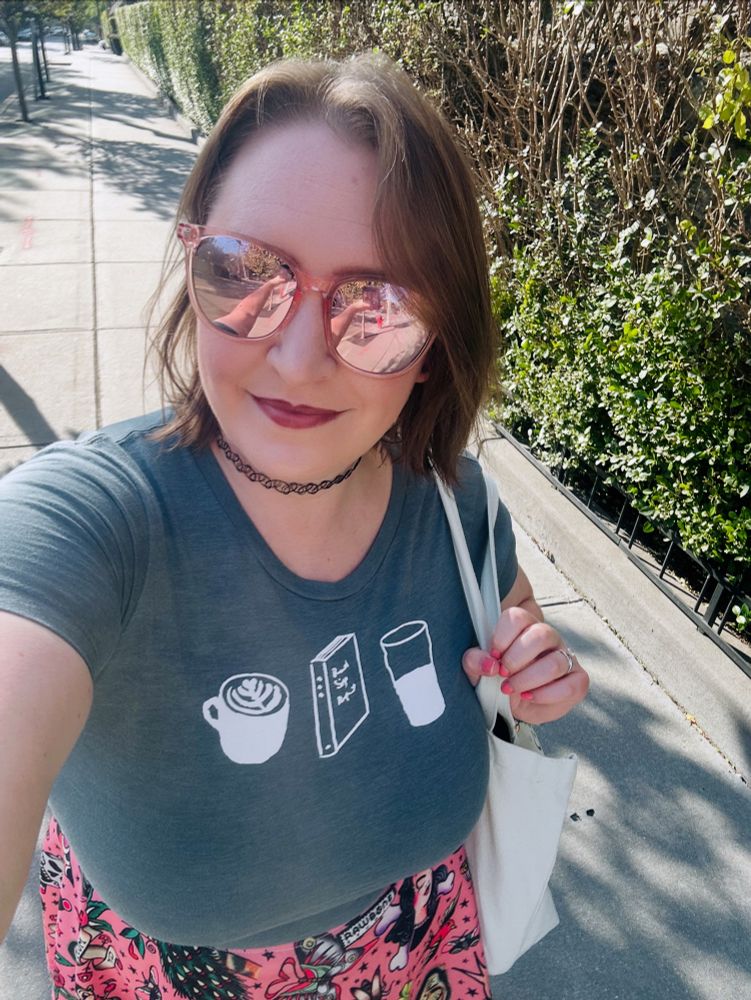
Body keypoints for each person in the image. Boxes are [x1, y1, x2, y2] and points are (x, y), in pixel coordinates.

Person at [0, 54, 589, 999]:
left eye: (380, 303)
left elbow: (510, 611)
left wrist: (533, 660)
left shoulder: (458, 507)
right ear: (191, 260)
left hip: (411, 953)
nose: (301, 356)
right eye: (245, 270)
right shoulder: (89, 526)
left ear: (436, 346)